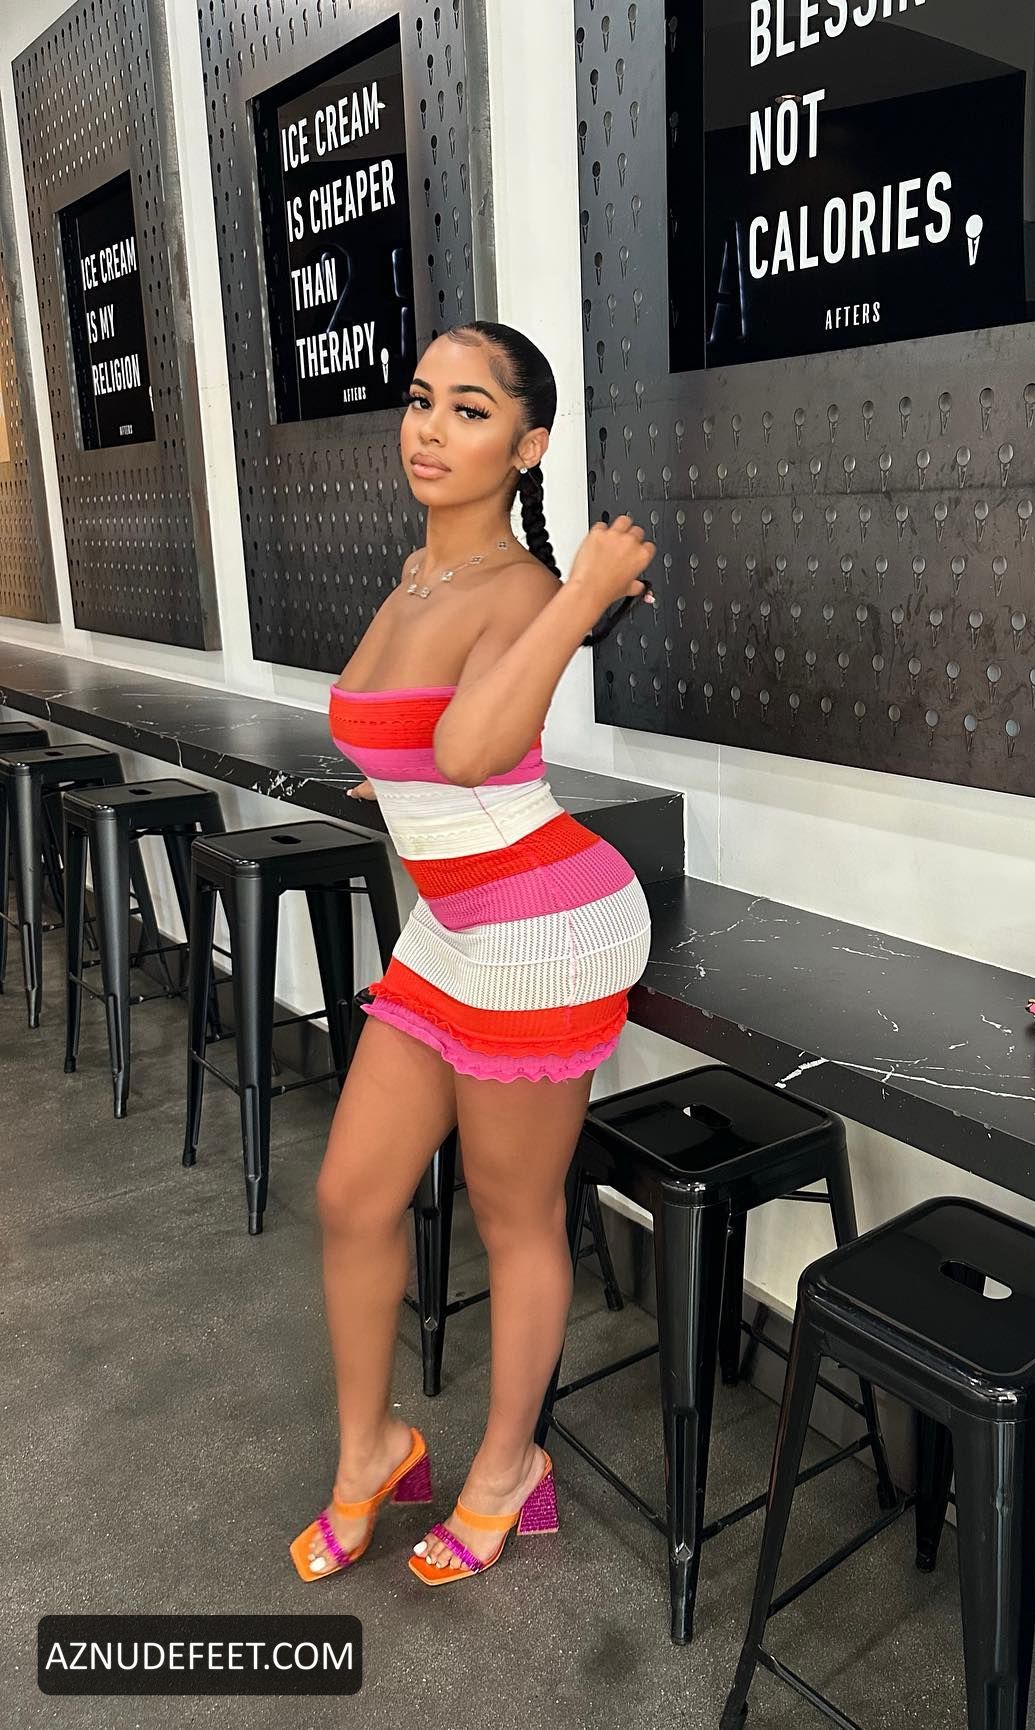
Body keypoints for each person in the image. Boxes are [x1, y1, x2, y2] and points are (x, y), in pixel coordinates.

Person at [289, 320, 656, 1587]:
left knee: (512, 1214)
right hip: (452, 925)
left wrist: (582, 596)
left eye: (469, 409)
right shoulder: (418, 573)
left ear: (528, 445)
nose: (430, 429)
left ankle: (508, 1466)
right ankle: (372, 1449)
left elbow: (469, 752)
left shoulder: (521, 590)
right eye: (420, 400)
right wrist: (394, 786)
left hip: (543, 927)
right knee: (352, 1194)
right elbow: (413, 750)